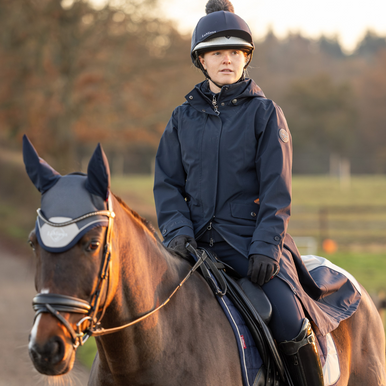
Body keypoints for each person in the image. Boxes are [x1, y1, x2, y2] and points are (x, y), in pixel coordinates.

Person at [154, 1, 325, 385]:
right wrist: (177, 231)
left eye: (236, 52)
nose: (227, 59)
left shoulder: (266, 114)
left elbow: (277, 190)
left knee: (289, 319)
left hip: (251, 247)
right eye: (217, 52)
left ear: (246, 58)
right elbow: (166, 183)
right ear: (201, 59)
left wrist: (266, 246)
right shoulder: (181, 119)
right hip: (192, 247)